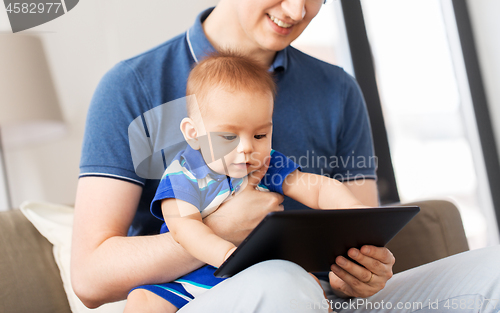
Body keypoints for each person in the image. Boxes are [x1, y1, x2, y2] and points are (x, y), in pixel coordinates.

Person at [72, 0, 500, 312]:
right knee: (280, 280)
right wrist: (229, 235)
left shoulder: (336, 91)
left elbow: (344, 212)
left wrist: (363, 265)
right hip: (209, 294)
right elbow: (90, 279)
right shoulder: (131, 88)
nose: (297, 10)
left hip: (327, 300)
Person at [125, 51, 367, 312]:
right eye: (229, 136)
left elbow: (319, 189)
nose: (246, 148)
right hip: (187, 282)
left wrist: (358, 213)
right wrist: (229, 256)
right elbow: (184, 229)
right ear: (193, 134)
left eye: (260, 135)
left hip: (261, 270)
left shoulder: (267, 164)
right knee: (142, 301)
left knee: (309, 287)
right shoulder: (184, 174)